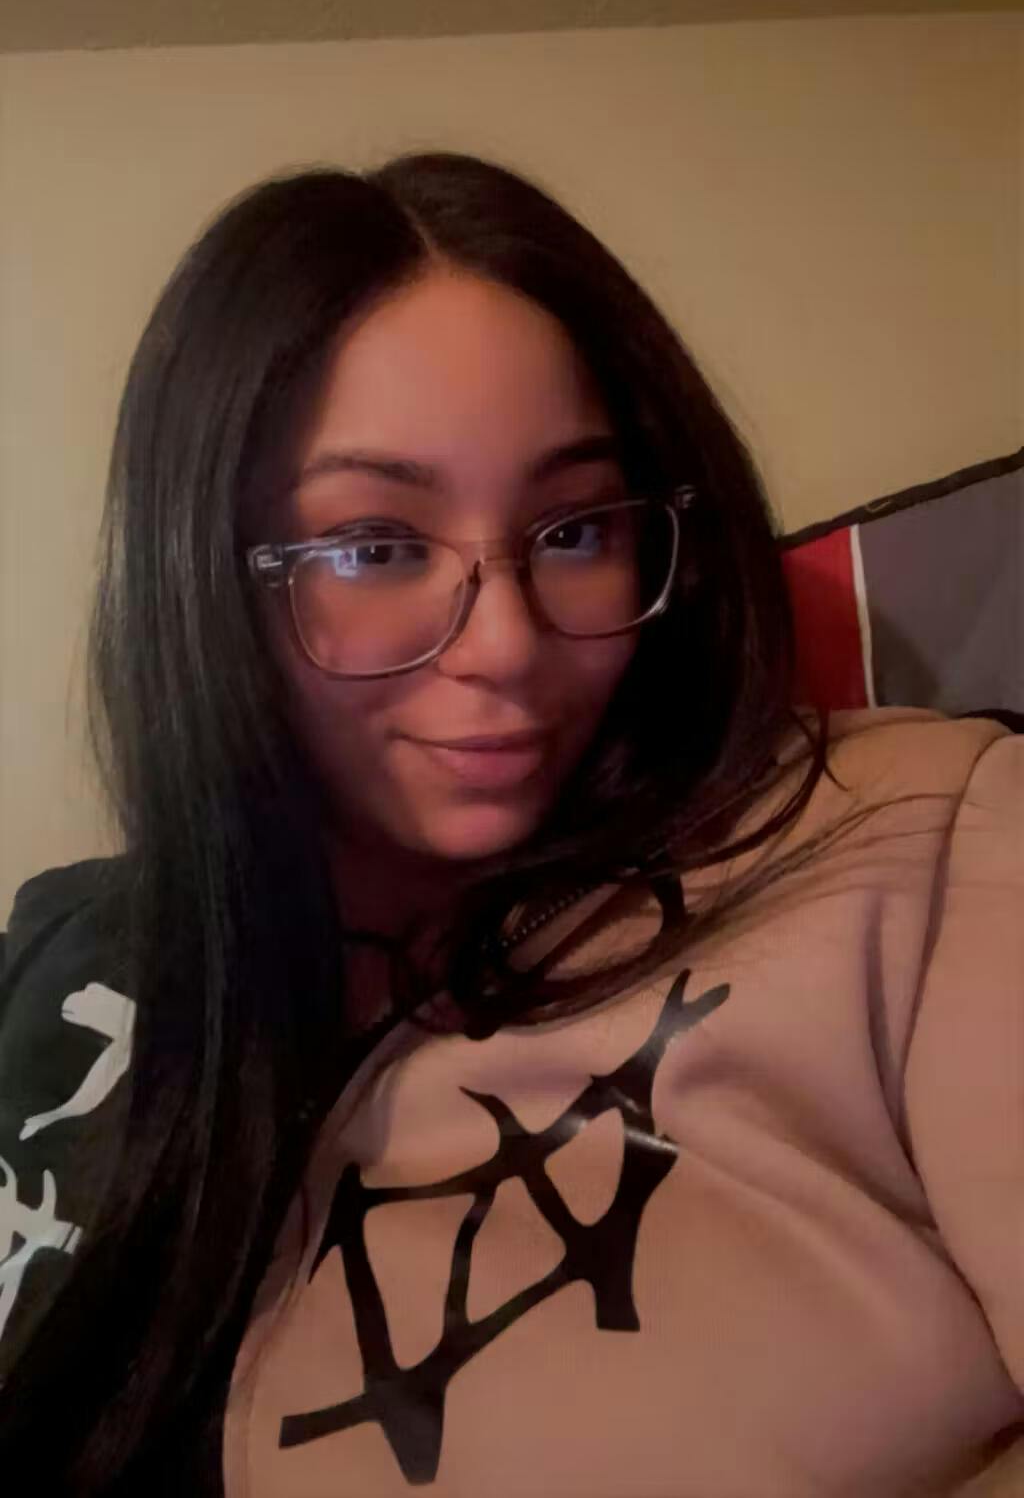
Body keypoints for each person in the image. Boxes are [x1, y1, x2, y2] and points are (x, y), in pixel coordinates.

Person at [0, 154, 1019, 1497]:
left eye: (579, 529)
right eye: (375, 547)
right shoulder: (67, 955)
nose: (510, 647)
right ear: (201, 583)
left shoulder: (923, 836)